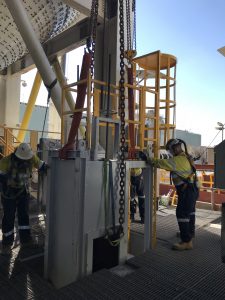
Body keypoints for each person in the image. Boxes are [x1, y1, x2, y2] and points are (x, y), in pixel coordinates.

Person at [141, 138, 199, 250]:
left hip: (186, 191)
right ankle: (190, 234)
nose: (171, 153)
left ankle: (186, 242)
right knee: (190, 212)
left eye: (171, 150)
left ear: (176, 148)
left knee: (182, 214)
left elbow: (162, 163)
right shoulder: (187, 157)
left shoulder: (177, 160)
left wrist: (148, 159)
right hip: (194, 189)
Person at [0, 143, 48, 254]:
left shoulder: (31, 158)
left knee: (24, 215)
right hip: (9, 193)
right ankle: (7, 243)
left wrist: (48, 167)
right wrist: (6, 179)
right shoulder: (6, 161)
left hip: (23, 192)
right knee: (9, 216)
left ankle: (25, 240)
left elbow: (41, 164)